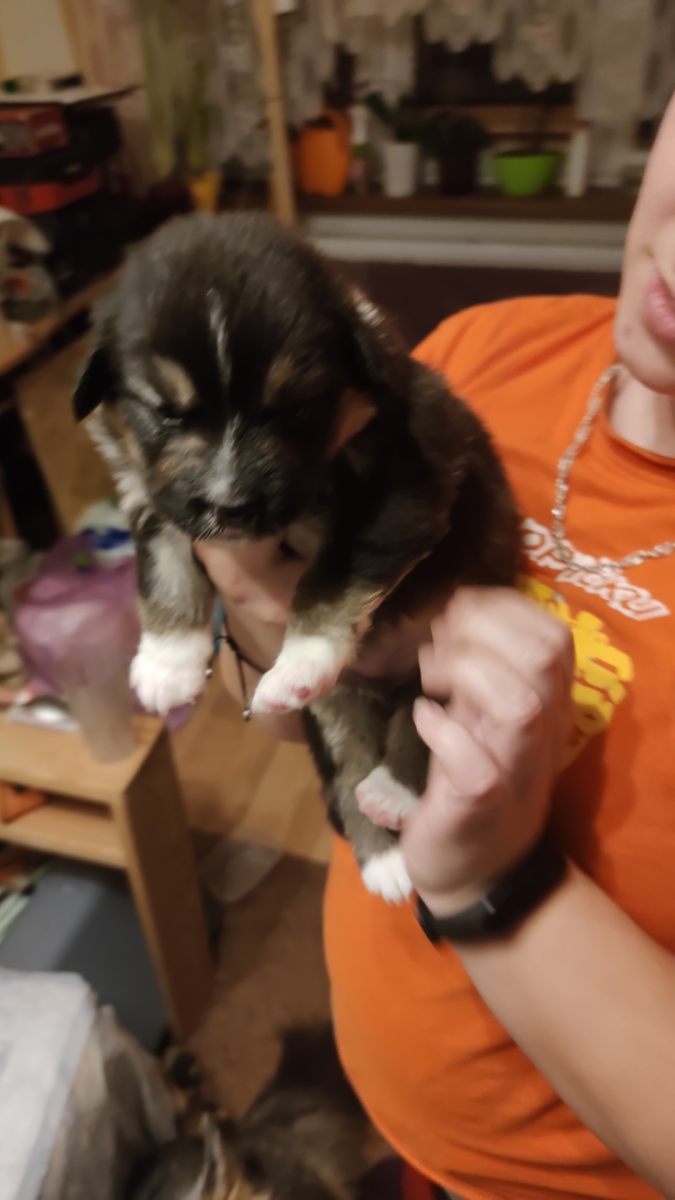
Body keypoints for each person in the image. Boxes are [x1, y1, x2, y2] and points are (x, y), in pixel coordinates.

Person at [195, 93, 675, 1200]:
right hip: (400, 1132)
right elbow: (279, 721)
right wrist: (268, 622)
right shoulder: (480, 354)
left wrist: (500, 881)